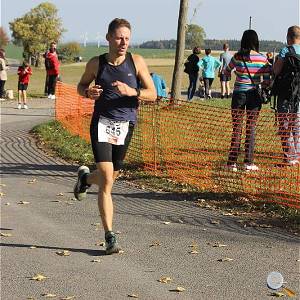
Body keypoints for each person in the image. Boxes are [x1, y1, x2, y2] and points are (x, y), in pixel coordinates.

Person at [75, 18, 156, 255]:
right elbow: (80, 86)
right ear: (109, 37)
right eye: (119, 37)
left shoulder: (136, 62)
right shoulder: (96, 64)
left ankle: (86, 179)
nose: (123, 43)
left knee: (109, 177)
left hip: (125, 126)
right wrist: (88, 92)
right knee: (108, 178)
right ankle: (109, 236)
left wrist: (133, 91)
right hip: (101, 123)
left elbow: (153, 94)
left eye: (127, 38)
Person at [225, 29, 271, 171]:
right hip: (254, 95)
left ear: (243, 41)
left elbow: (226, 71)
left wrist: (238, 75)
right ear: (256, 41)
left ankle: (231, 163)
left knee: (237, 128)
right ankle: (248, 163)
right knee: (251, 128)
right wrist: (260, 83)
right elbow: (268, 80)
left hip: (239, 94)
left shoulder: (237, 57)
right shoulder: (263, 59)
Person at [273, 25, 300, 165]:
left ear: (288, 37)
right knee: (297, 124)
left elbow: (276, 70)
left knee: (284, 124)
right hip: (299, 95)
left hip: (285, 94)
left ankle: (289, 157)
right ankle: (297, 155)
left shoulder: (285, 50)